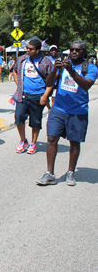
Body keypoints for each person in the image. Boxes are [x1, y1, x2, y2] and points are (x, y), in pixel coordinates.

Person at [36, 41, 97, 186]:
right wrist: (53, 70)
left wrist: (71, 71)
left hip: (78, 111)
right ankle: (50, 174)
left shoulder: (90, 67)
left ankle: (71, 172)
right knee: (51, 139)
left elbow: (86, 85)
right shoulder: (63, 65)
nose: (74, 52)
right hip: (58, 109)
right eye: (72, 49)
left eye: (78, 50)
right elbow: (49, 83)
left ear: (84, 52)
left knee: (74, 143)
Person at [12, 39, 52, 154]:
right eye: (27, 48)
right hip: (22, 95)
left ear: (38, 50)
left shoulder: (46, 62)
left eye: (31, 49)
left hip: (38, 96)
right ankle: (23, 141)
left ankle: (33, 143)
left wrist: (45, 95)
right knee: (19, 118)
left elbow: (51, 81)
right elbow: (14, 70)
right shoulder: (22, 59)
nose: (28, 50)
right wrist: (18, 84)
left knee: (35, 121)